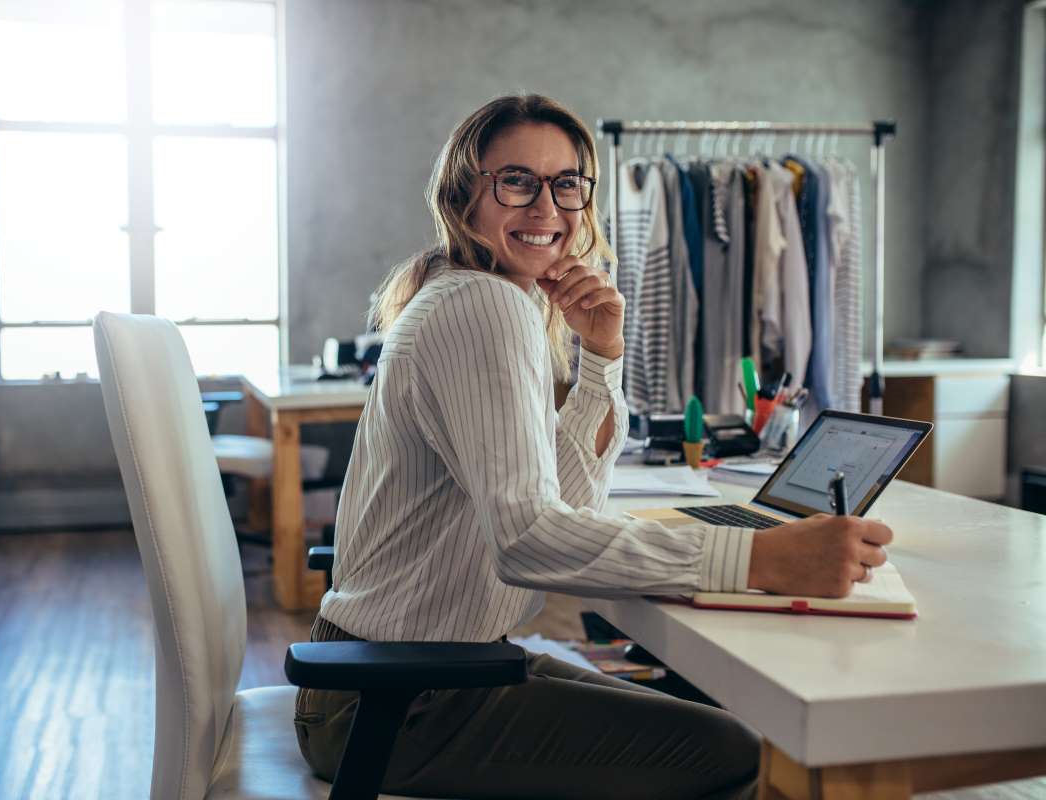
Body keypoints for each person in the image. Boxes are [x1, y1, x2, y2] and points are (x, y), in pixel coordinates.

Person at [293, 93, 893, 800]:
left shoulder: (480, 299)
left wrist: (601, 354)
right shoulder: (482, 307)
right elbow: (529, 540)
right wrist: (761, 557)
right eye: (516, 180)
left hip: (405, 678)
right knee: (731, 750)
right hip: (401, 701)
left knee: (706, 720)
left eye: (566, 183)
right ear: (465, 197)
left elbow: (571, 504)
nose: (547, 206)